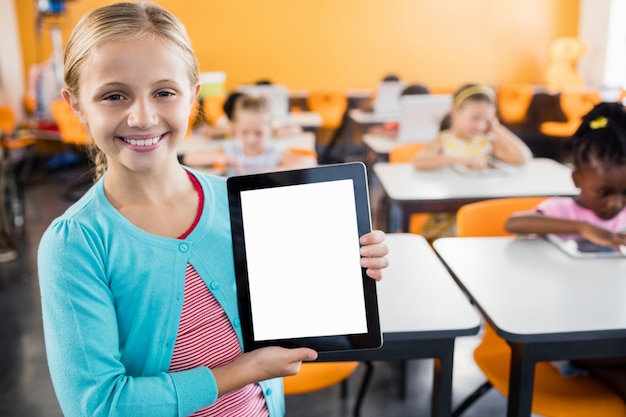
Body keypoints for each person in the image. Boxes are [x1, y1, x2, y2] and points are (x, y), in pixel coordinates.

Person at [36, 3, 389, 417]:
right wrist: (240, 372)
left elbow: (293, 309)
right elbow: (98, 404)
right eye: (114, 95)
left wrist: (349, 267)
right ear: (76, 104)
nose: (143, 116)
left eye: (164, 92)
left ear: (193, 98)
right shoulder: (76, 244)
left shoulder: (240, 204)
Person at [506, 101, 626, 402]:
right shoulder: (563, 209)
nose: (615, 204)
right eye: (605, 192)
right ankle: (588, 366)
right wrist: (583, 228)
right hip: (569, 328)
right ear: (577, 179)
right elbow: (515, 223)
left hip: (613, 320)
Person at [181, 94, 316, 176]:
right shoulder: (231, 150)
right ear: (235, 128)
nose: (251, 139)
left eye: (259, 133)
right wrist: (221, 157)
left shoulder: (274, 152)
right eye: (245, 132)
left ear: (270, 129)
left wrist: (279, 169)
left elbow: (310, 162)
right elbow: (189, 158)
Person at [413, 83, 532, 171]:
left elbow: (523, 158)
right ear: (455, 110)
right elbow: (419, 161)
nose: (480, 126)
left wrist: (496, 128)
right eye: (475, 118)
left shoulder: (488, 142)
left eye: (486, 120)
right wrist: (462, 160)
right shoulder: (443, 140)